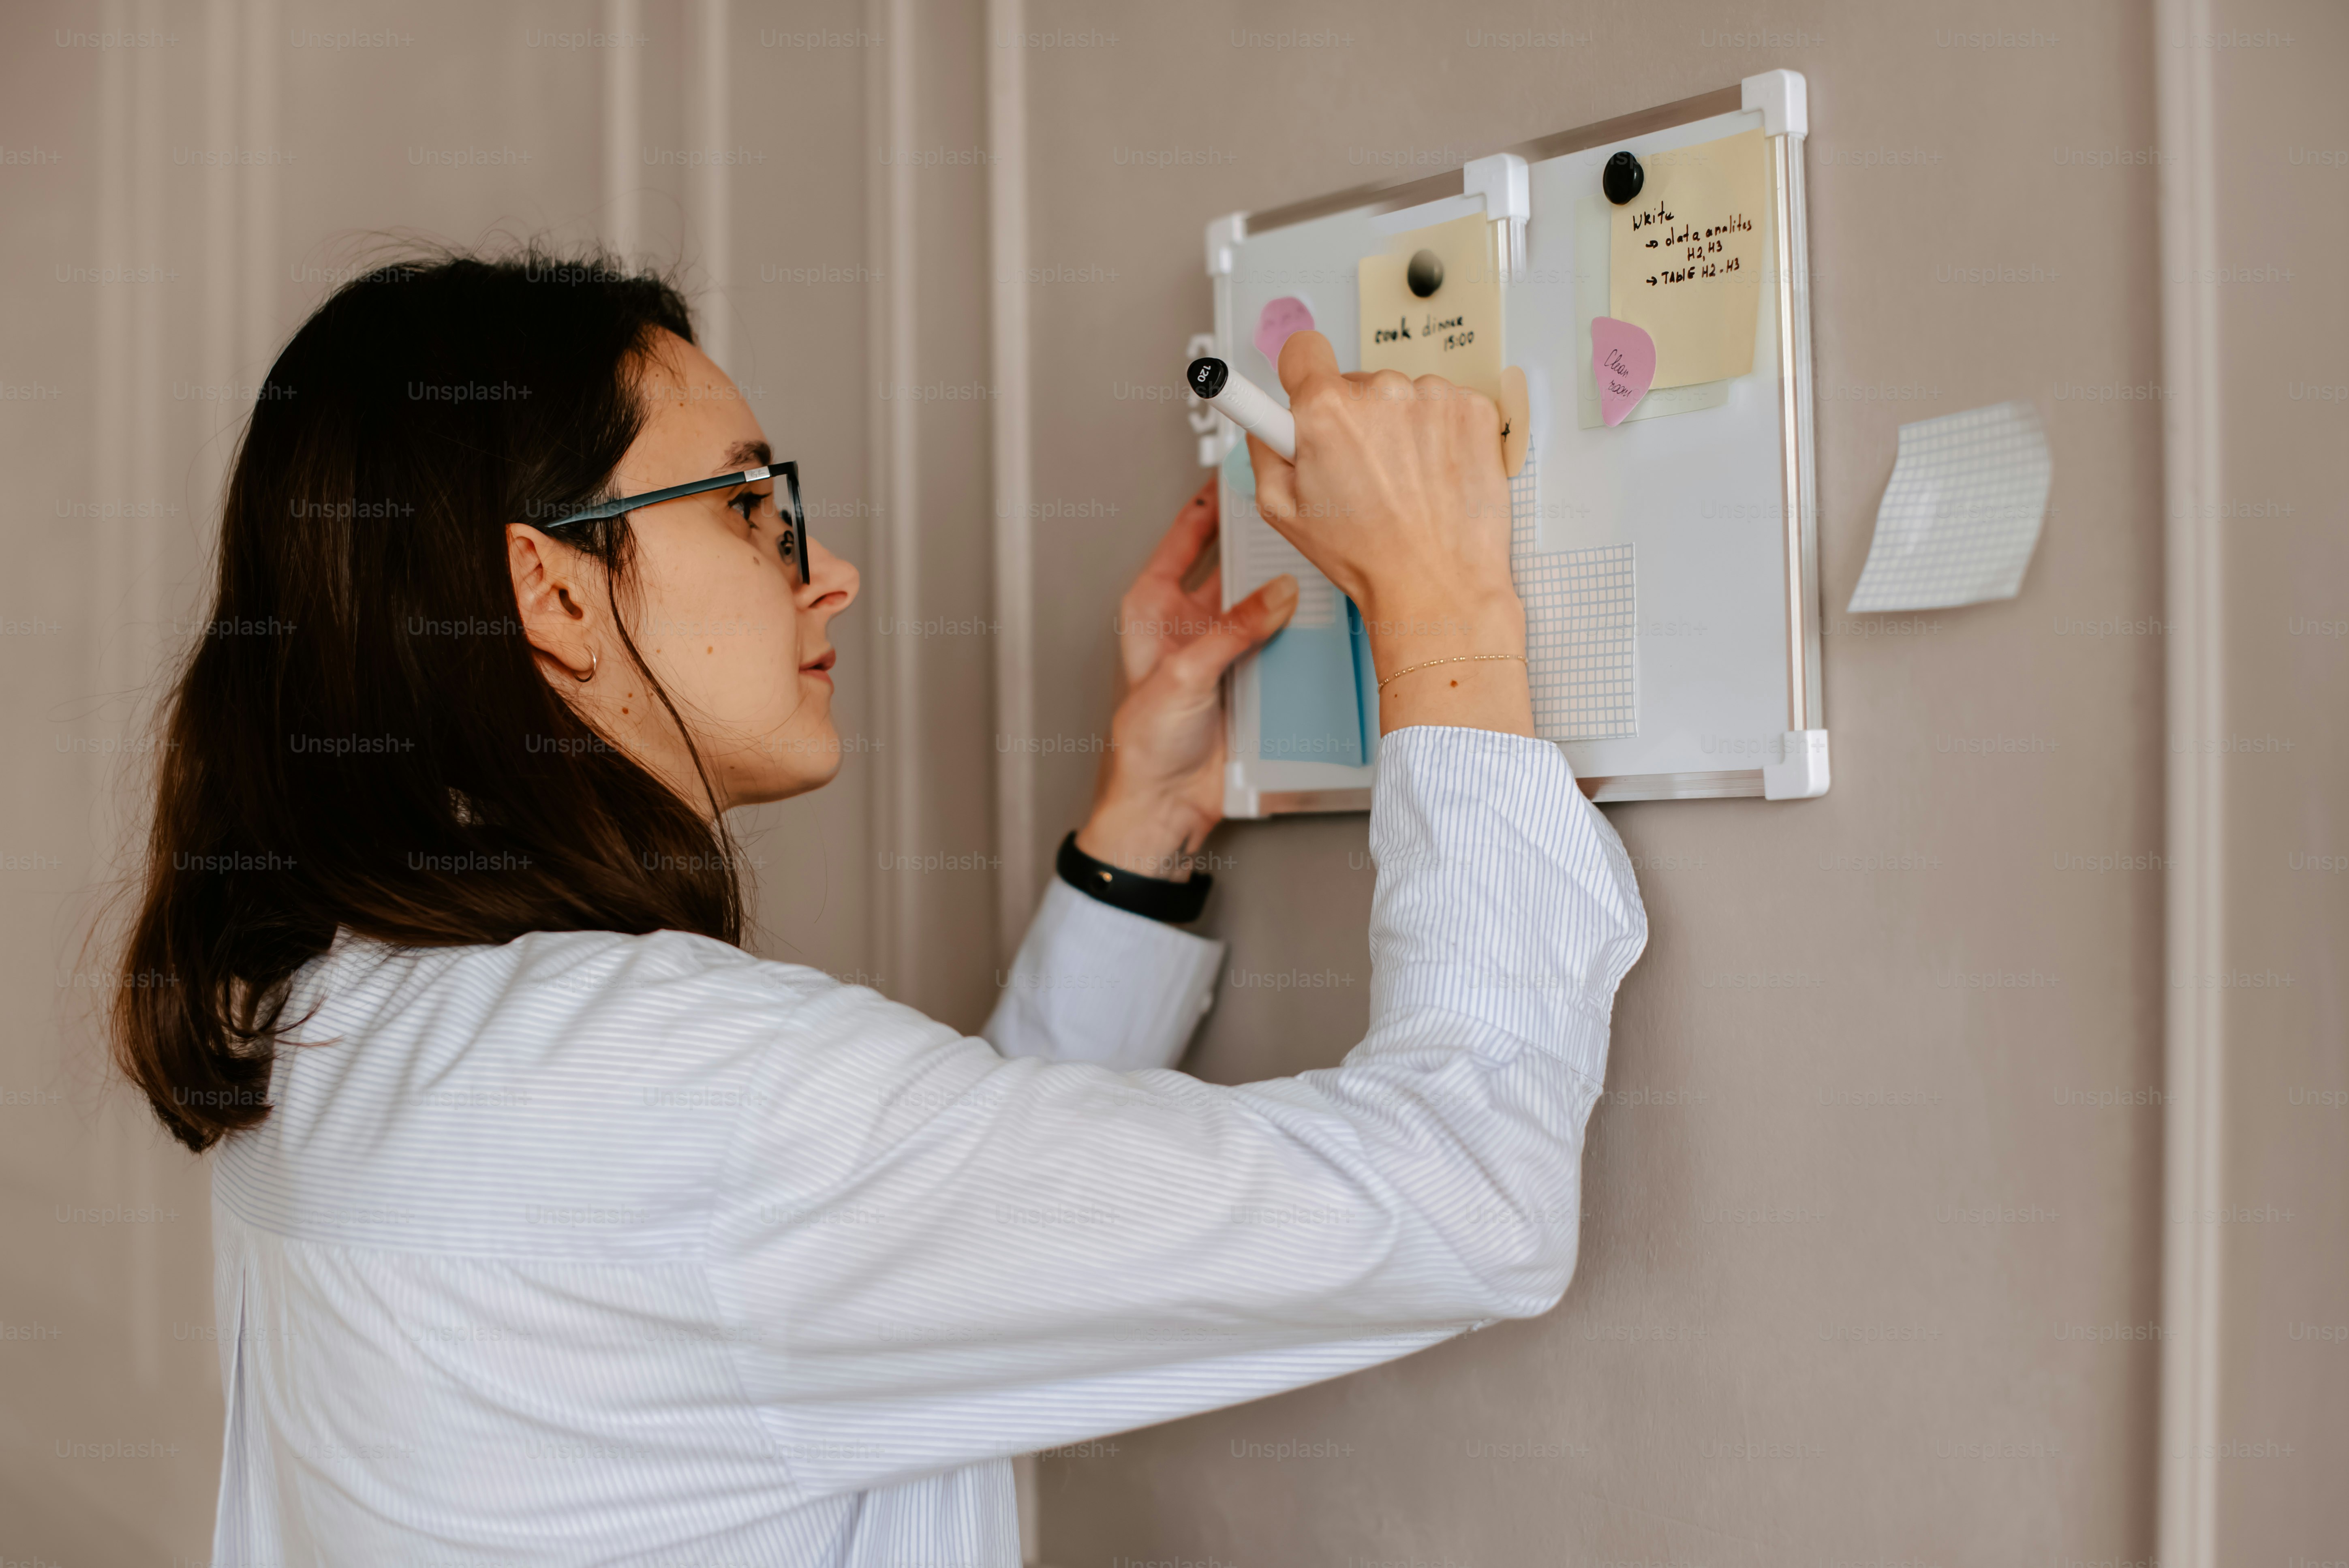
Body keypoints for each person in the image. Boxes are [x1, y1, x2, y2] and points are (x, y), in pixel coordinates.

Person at [113, 250, 1646, 1566]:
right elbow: (1468, 1195)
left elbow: (901, 1238)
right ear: (554, 592)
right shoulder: (679, 1091)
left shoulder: (339, 1023)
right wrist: (1443, 621)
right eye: (750, 507)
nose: (826, 571)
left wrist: (1138, 839)